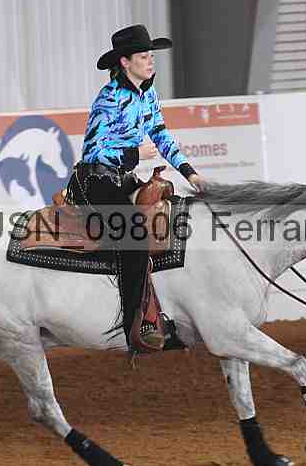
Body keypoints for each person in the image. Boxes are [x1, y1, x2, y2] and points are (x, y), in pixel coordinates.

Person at [66, 24, 205, 352]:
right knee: (135, 235)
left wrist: (190, 173)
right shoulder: (109, 97)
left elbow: (161, 135)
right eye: (143, 56)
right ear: (125, 62)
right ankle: (136, 329)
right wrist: (134, 153)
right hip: (94, 181)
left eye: (151, 55)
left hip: (120, 178)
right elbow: (93, 151)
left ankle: (164, 313)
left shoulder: (148, 95)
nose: (151, 60)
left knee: (170, 222)